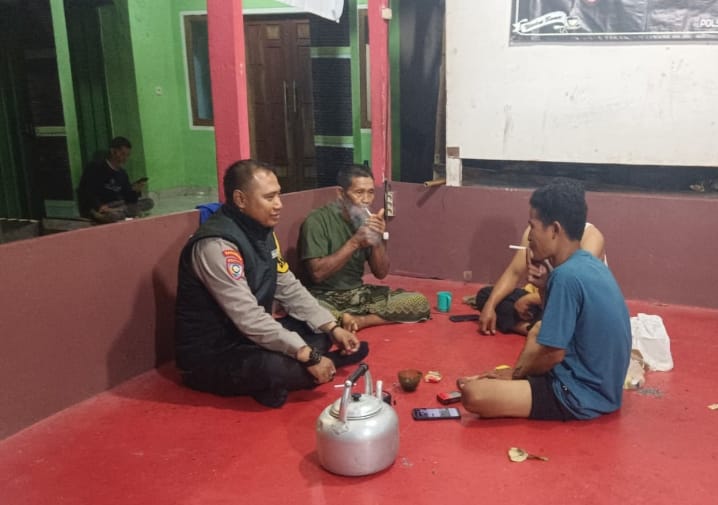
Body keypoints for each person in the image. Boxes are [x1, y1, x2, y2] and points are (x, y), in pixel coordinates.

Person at [174, 160, 368, 408]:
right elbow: (248, 317)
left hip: (248, 339)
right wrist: (308, 356)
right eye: (269, 197)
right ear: (240, 199)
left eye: (278, 195)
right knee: (275, 367)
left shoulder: (263, 232)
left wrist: (332, 327)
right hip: (213, 353)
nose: (279, 204)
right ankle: (316, 367)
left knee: (317, 333)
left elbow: (289, 287)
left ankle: (287, 377)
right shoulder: (216, 245)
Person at [457, 179, 631, 421]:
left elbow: (552, 355)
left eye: (533, 227)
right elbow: (557, 330)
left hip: (578, 395)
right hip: (605, 390)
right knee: (535, 334)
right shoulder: (588, 264)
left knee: (473, 394)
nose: (529, 238)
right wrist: (543, 288)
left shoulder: (565, 276)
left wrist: (515, 375)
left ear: (555, 230)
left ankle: (513, 380)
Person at [299, 164, 430, 332]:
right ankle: (341, 318)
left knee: (419, 302)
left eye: (371, 192)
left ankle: (359, 321)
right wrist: (355, 242)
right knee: (305, 309)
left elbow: (381, 273)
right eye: (359, 192)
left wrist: (377, 239)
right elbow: (317, 274)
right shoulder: (317, 220)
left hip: (358, 295)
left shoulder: (366, 221)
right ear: (341, 193)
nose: (366, 200)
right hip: (325, 296)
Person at [476, 221, 606, 336]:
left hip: (575, 307)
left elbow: (574, 294)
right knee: (486, 296)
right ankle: (535, 330)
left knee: (576, 321)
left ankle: (539, 331)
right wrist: (490, 306)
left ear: (555, 228)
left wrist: (530, 299)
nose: (530, 234)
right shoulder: (534, 233)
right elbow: (513, 273)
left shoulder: (590, 238)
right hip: (546, 301)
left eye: (533, 225)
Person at [77, 136, 154, 223]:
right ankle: (106, 215)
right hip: (101, 206)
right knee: (116, 214)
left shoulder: (122, 173)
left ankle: (121, 213)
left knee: (149, 202)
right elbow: (88, 192)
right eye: (122, 154)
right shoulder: (95, 168)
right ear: (113, 151)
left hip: (118, 205)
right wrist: (100, 206)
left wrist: (135, 191)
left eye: (127, 155)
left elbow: (128, 199)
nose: (125, 158)